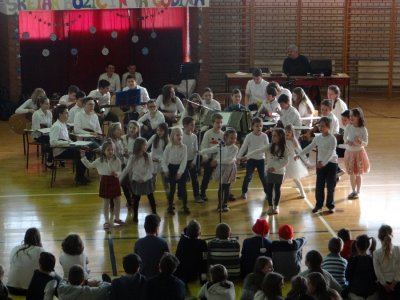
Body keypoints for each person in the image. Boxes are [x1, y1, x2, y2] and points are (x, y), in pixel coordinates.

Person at [295, 117, 338, 213]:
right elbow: (309, 147)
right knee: (319, 186)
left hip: (331, 164)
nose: (320, 128)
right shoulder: (318, 138)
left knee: (331, 186)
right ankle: (319, 205)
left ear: (328, 127)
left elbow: (330, 153)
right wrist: (299, 154)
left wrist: (323, 163)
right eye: (319, 126)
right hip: (320, 165)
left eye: (323, 126)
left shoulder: (332, 139)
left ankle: (330, 205)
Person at [243, 128, 289, 215]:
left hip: (279, 172)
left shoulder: (285, 148)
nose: (273, 137)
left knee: (277, 189)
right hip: (269, 171)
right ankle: (270, 207)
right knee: (269, 189)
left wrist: (275, 168)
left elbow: (285, 161)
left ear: (281, 136)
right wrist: (246, 156)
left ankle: (276, 206)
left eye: (275, 136)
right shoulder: (270, 146)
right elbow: (258, 151)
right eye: (272, 136)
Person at [81, 141, 126, 229]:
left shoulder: (117, 160)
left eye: (112, 150)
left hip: (114, 181)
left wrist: (117, 173)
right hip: (105, 181)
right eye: (108, 150)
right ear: (103, 151)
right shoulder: (99, 161)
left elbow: (120, 171)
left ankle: (117, 218)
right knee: (106, 202)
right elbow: (89, 166)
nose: (111, 152)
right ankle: (106, 221)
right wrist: (83, 157)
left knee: (117, 200)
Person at [200, 128, 238, 212]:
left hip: (229, 169)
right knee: (221, 187)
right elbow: (212, 149)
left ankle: (225, 204)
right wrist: (201, 152)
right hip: (221, 168)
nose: (233, 140)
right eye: (231, 138)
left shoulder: (235, 148)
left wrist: (216, 161)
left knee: (227, 187)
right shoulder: (221, 145)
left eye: (235, 138)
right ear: (226, 138)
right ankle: (219, 205)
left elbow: (229, 160)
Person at [119, 138, 157, 223]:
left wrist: (144, 178)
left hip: (147, 180)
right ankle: (135, 216)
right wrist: (119, 179)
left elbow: (151, 169)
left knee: (151, 197)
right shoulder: (132, 157)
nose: (146, 146)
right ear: (139, 146)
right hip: (137, 180)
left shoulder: (148, 156)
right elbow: (127, 169)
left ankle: (154, 213)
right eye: (145, 145)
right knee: (136, 199)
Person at [50, 105, 89, 184]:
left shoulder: (63, 124)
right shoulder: (56, 126)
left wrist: (73, 142)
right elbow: (52, 142)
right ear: (60, 114)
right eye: (66, 113)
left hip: (66, 148)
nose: (68, 115)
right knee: (79, 153)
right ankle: (79, 178)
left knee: (85, 151)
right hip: (60, 152)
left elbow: (66, 139)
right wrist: (67, 143)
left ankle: (81, 176)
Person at [237, 117, 270, 200]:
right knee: (248, 176)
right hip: (251, 160)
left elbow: (267, 149)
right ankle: (244, 192)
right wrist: (238, 157)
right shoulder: (249, 136)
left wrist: (268, 159)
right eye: (257, 126)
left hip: (261, 160)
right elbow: (243, 147)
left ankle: (267, 193)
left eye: (260, 126)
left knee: (263, 177)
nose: (259, 128)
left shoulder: (264, 136)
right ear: (252, 127)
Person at [7, 228, 45, 295]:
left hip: (11, 288)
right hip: (28, 291)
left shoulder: (15, 248)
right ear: (38, 238)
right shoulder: (40, 250)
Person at [162, 127, 190, 215]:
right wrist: (165, 170)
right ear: (172, 136)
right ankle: (170, 206)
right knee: (172, 189)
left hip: (180, 169)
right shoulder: (168, 147)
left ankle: (185, 206)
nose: (180, 137)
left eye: (181, 135)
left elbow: (184, 161)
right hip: (171, 169)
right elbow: (164, 160)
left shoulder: (184, 147)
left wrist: (180, 172)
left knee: (183, 189)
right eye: (177, 135)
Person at [344, 108, 370, 199]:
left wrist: (360, 141)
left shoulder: (363, 129)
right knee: (351, 174)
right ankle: (353, 191)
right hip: (350, 153)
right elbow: (344, 138)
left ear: (358, 117)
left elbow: (366, 143)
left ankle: (358, 191)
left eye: (353, 116)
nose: (350, 117)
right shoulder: (348, 127)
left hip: (359, 154)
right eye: (350, 116)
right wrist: (347, 141)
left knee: (358, 173)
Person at [134, 214, 169, 278]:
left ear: (145, 227)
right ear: (157, 228)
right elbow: (168, 262)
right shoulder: (163, 243)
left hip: (143, 278)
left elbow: (136, 263)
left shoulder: (138, 243)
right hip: (158, 278)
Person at [200, 113, 224, 201]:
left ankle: (225, 192)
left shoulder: (223, 135)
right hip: (209, 158)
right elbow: (203, 147)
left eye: (221, 122)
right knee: (206, 176)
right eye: (217, 123)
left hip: (218, 159)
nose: (219, 125)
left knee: (224, 175)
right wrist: (205, 156)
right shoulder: (208, 134)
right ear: (213, 123)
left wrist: (217, 160)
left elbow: (223, 149)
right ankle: (202, 192)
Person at [346, 234, 378, 300]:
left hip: (356, 293)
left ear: (356, 245)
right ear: (368, 246)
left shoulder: (352, 259)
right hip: (371, 293)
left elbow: (347, 277)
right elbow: (375, 277)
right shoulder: (372, 259)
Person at [175, 219, 208, 284]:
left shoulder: (182, 241)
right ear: (199, 233)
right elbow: (205, 260)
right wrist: (204, 280)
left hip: (182, 274)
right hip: (194, 275)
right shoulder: (203, 243)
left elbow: (177, 257)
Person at [373, 224, 400, 300]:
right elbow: (399, 269)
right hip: (397, 285)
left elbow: (378, 272)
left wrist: (385, 285)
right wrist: (393, 284)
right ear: (391, 235)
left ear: (379, 238)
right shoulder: (398, 249)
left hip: (383, 287)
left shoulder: (376, 253)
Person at [284, 124, 308, 198]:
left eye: (289, 132)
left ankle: (302, 192)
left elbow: (300, 151)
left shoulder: (294, 141)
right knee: (281, 179)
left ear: (292, 133)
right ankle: (274, 192)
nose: (287, 133)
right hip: (284, 162)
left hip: (292, 162)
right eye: (286, 132)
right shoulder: (282, 140)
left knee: (296, 178)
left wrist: (304, 160)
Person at [182, 117, 202, 202]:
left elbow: (196, 150)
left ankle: (197, 195)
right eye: (192, 125)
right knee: (182, 180)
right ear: (185, 125)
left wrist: (194, 162)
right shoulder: (181, 136)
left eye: (194, 125)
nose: (194, 127)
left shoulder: (194, 136)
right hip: (182, 161)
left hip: (191, 161)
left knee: (195, 179)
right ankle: (181, 195)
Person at [148, 122, 169, 197]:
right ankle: (151, 198)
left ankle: (169, 197)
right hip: (153, 162)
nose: (159, 132)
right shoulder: (154, 137)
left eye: (161, 130)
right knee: (152, 181)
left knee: (165, 182)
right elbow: (147, 144)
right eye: (158, 130)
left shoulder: (167, 140)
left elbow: (168, 153)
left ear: (165, 131)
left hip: (162, 163)